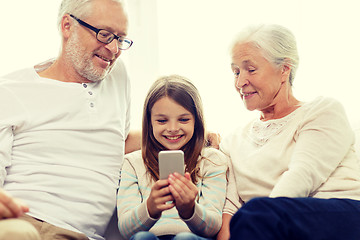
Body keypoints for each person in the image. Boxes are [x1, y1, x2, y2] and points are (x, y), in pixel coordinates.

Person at [0, 0, 139, 239]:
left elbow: (120, 142)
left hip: (81, 234)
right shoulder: (11, 91)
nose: (114, 49)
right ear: (67, 26)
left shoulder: (118, 76)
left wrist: (199, 134)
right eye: (105, 35)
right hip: (26, 223)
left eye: (121, 38)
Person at [216, 24, 360, 240]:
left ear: (284, 69)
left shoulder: (322, 110)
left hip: (340, 213)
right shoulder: (232, 141)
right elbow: (231, 207)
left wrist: (265, 218)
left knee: (255, 213)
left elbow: (302, 175)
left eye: (250, 69)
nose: (239, 82)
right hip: (268, 221)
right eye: (235, 72)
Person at [117, 75, 229, 240]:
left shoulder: (212, 161)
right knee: (142, 238)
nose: (173, 128)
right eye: (162, 121)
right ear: (150, 123)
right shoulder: (133, 163)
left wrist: (191, 210)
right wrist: (149, 208)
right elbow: (126, 230)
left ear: (196, 121)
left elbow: (213, 227)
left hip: (192, 238)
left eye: (183, 119)